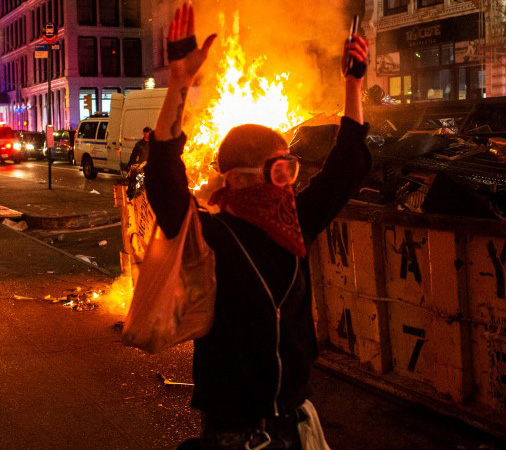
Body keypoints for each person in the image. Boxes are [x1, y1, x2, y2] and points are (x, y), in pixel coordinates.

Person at [145, 3, 371, 450]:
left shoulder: (293, 224)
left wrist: (353, 83)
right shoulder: (208, 237)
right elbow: (163, 179)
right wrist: (179, 83)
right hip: (234, 429)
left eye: (291, 167)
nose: (290, 181)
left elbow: (346, 166)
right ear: (240, 178)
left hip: (293, 418)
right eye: (280, 170)